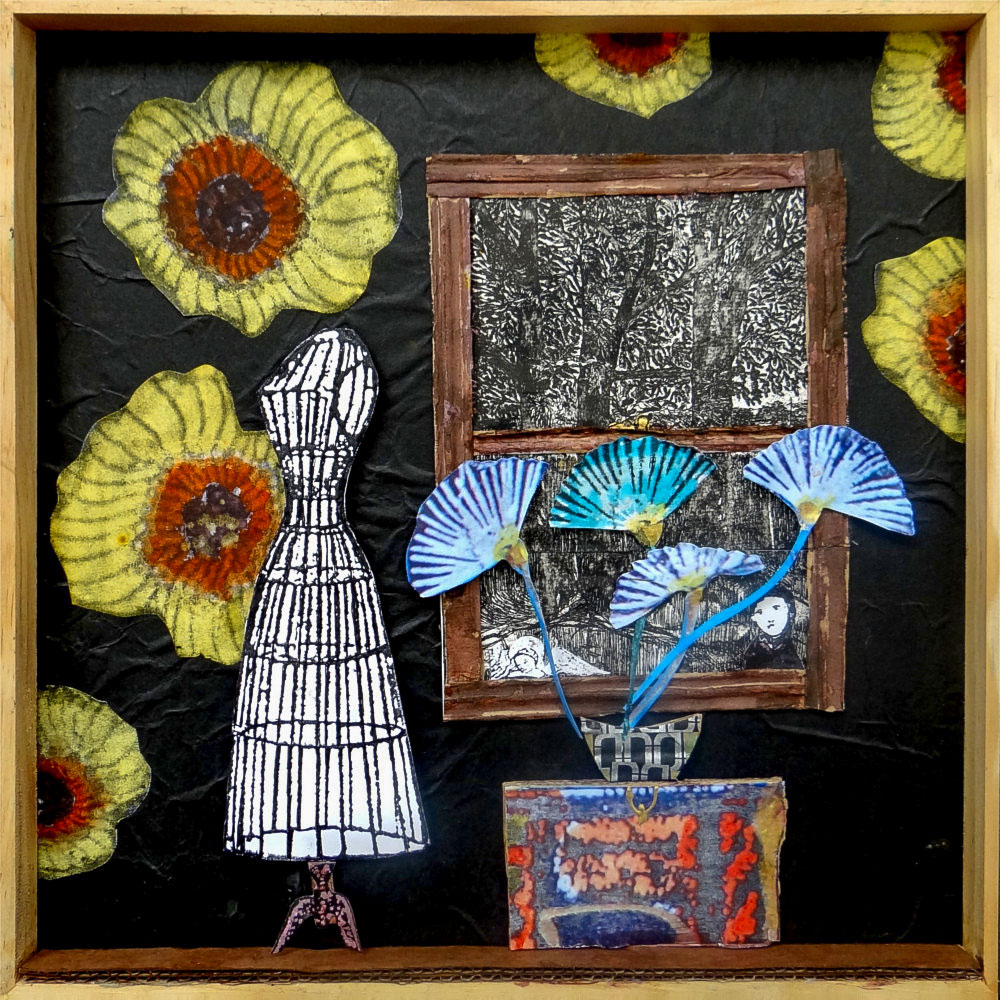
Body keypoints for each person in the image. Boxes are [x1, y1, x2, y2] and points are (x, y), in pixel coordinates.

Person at [740, 587, 804, 670]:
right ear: (753, 618)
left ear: (790, 611)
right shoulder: (749, 651)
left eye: (776, 608)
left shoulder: (801, 645)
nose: (770, 618)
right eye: (760, 612)